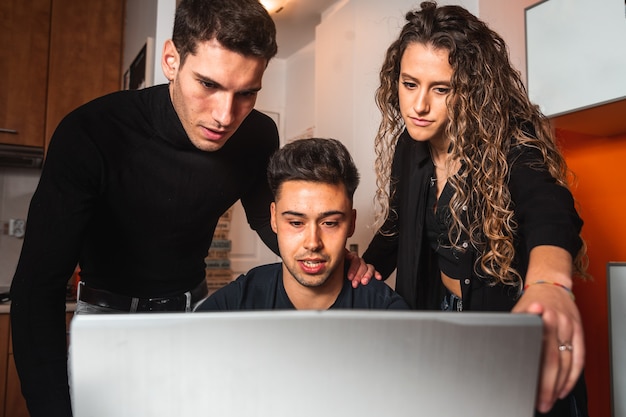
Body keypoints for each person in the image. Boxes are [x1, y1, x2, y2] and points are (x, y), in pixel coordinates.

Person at [9, 1, 371, 416]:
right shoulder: (91, 133)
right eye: (208, 85)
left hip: (195, 313)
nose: (225, 116)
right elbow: (37, 289)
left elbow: (266, 218)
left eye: (246, 93)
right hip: (106, 323)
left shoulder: (257, 135)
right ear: (171, 60)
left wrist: (331, 256)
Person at [359, 2, 589, 416]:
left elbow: (551, 212)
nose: (419, 105)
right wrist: (362, 264)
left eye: (441, 89)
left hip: (496, 317)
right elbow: (397, 224)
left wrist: (550, 287)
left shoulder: (511, 142)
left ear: (472, 88)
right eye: (410, 84)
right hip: (435, 315)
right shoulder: (410, 149)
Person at [196, 138, 409, 311]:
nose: (312, 243)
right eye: (296, 222)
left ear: (351, 223)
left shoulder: (386, 312)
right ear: (274, 219)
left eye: (329, 223)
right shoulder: (234, 304)